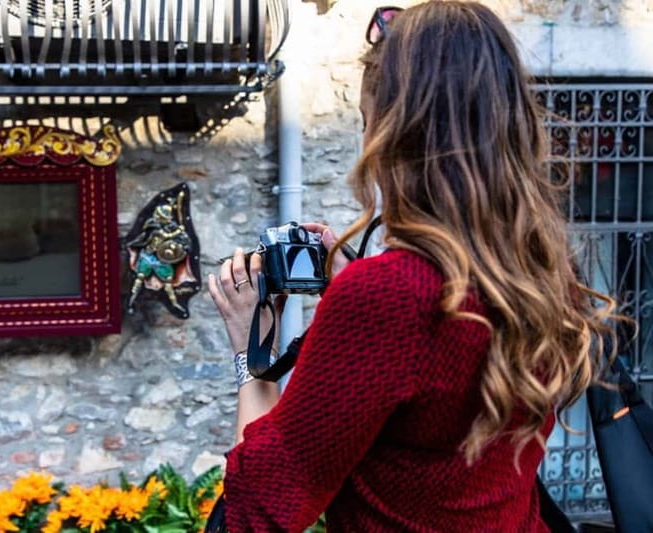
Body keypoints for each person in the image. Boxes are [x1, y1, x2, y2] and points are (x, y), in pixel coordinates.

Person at [207, 2, 617, 531]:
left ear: (393, 133)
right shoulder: (540, 272)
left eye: (366, 123)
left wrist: (250, 349)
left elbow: (257, 511)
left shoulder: (388, 295)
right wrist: (354, 293)